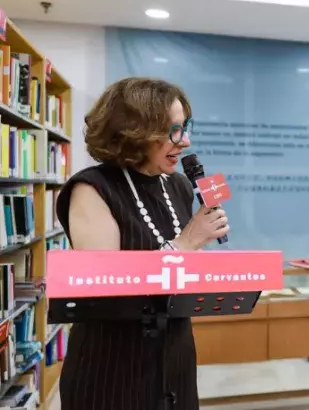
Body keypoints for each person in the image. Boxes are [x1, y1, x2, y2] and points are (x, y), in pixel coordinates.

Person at [55, 77, 230, 410]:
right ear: (135, 131)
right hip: (111, 367)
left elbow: (178, 269)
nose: (186, 141)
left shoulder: (178, 185)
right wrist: (187, 241)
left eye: (186, 128)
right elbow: (103, 291)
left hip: (175, 358)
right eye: (174, 131)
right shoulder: (92, 189)